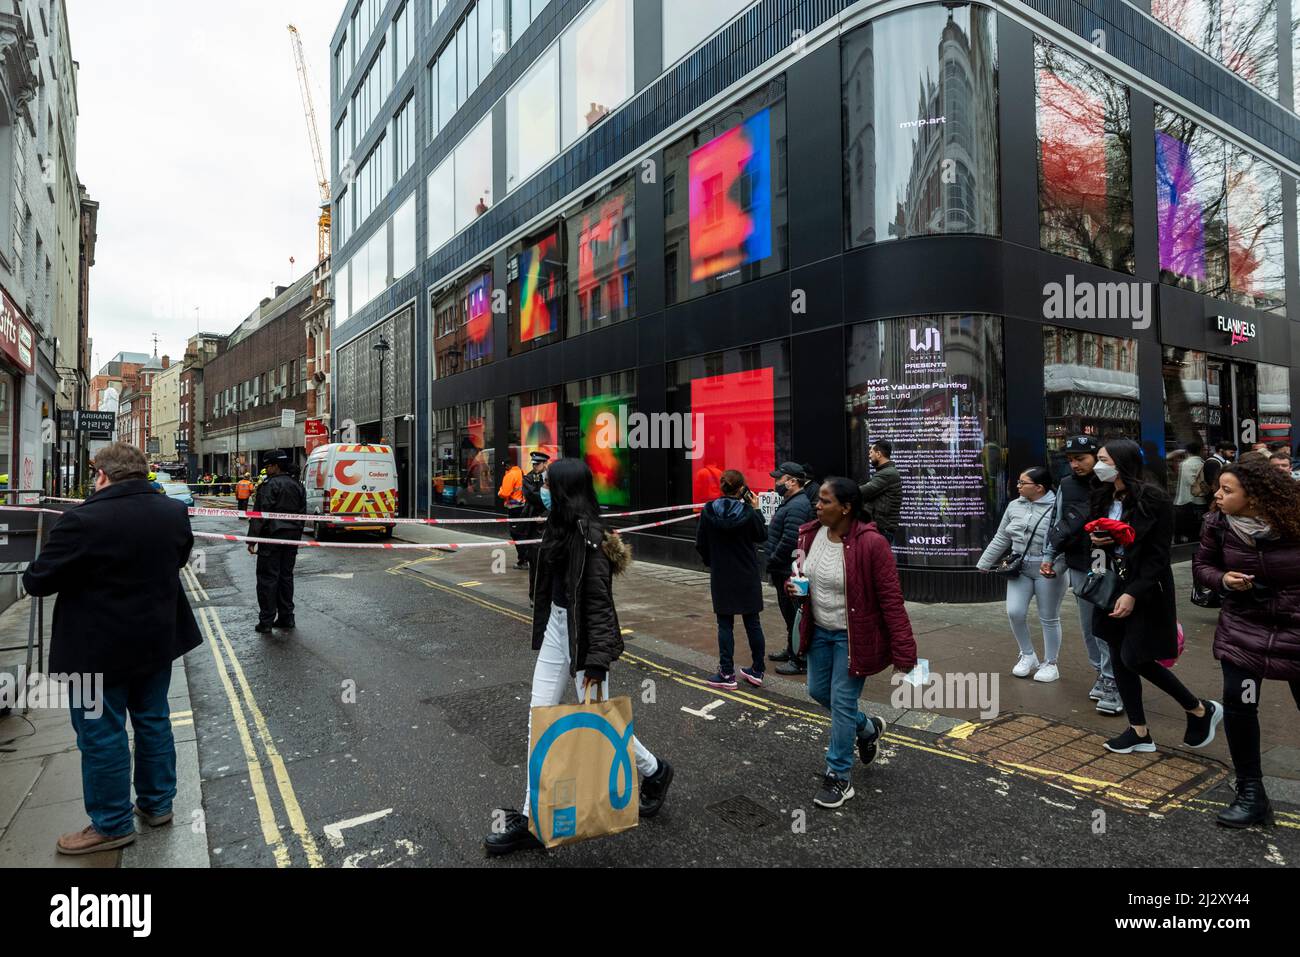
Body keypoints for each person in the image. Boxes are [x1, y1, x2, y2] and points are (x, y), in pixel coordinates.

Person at [484, 459, 673, 855]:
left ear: (566, 490)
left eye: (550, 485)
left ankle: (654, 771)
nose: (544, 489)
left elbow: (600, 606)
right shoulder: (556, 525)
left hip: (583, 640)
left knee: (599, 719)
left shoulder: (591, 538)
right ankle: (533, 818)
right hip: (557, 629)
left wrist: (596, 662)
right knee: (540, 716)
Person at [22, 442, 202, 855]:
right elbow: (177, 560)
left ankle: (111, 824)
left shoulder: (82, 520)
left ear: (102, 476)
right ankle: (158, 805)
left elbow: (38, 581)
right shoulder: (173, 513)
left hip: (94, 651)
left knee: (101, 736)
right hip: (156, 642)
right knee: (154, 721)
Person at [786, 477, 917, 809]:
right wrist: (795, 587)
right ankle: (868, 727)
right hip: (818, 631)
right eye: (819, 500)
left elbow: (891, 599)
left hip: (853, 636)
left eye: (825, 501)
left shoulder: (872, 544)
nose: (818, 505)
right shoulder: (808, 533)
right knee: (818, 691)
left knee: (842, 701)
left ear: (846, 508)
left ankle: (839, 776)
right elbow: (802, 573)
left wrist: (904, 649)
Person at [1089, 439, 1222, 754]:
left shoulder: (1154, 499)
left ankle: (1199, 708)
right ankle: (1138, 731)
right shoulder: (1101, 495)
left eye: (1103, 459)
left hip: (1145, 589)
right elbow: (1096, 541)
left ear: (1122, 463)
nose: (1098, 465)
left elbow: (1158, 556)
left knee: (1134, 656)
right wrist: (1099, 542)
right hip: (1110, 584)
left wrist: (1133, 592)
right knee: (1117, 650)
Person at [1192, 460, 1300, 827]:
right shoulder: (1217, 524)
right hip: (1243, 631)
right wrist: (1223, 580)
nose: (1218, 495)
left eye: (1227, 490)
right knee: (1240, 703)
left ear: (1254, 496)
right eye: (1218, 488)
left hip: (1296, 630)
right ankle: (1251, 793)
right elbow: (1202, 568)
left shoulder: (1295, 520)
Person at [1041, 436, 1121, 713]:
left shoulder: (1115, 484)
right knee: (1088, 627)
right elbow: (1057, 521)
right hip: (1079, 563)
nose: (1075, 464)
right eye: (1070, 459)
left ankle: (1113, 680)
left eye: (1081, 458)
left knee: (1105, 627)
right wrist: (1049, 556)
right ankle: (1101, 673)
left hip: (1110, 565)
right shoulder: (1066, 485)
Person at [978, 467, 1068, 682]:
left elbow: (1067, 541)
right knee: (1014, 612)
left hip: (1048, 568)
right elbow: (1002, 536)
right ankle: (1027, 655)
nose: (1017, 486)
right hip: (1019, 566)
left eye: (1022, 483)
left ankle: (1051, 663)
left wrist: (1058, 568)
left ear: (1039, 487)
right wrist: (985, 562)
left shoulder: (1058, 507)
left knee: (1049, 617)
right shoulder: (1013, 505)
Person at [696, 469, 768, 689]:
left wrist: (713, 563)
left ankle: (727, 674)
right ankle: (757, 670)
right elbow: (762, 537)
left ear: (722, 487)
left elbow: (701, 544)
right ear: (742, 489)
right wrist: (757, 510)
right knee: (752, 622)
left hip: (722, 574)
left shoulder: (708, 511)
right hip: (747, 574)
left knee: (724, 624)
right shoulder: (748, 512)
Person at [248, 451, 306, 633]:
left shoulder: (269, 485)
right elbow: (302, 514)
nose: (266, 469)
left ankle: (266, 621)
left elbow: (260, 515)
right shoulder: (297, 485)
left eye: (268, 465)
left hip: (271, 538)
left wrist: (252, 539)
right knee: (286, 577)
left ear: (276, 466)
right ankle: (286, 618)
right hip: (291, 539)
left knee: (267, 579)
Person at [766, 462, 814, 674]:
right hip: (782, 568)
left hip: (787, 569)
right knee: (789, 613)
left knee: (795, 614)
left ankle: (799, 659)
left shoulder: (797, 505)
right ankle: (791, 649)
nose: (777, 483)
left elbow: (789, 540)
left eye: (780, 479)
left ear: (792, 482)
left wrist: (773, 559)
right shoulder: (792, 501)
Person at [859, 440, 902, 545]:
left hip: (882, 530)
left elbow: (863, 492)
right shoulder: (885, 472)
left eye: (871, 453)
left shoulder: (887, 474)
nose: (869, 456)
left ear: (878, 454)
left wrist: (845, 489)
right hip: (881, 529)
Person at [519, 452, 550, 573]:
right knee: (533, 546)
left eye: (538, 464)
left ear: (545, 463)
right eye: (534, 464)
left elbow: (559, 497)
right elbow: (532, 496)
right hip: (533, 516)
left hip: (549, 515)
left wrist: (546, 514)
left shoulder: (553, 476)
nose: (535, 466)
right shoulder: (528, 478)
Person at [1172, 441, 1207, 543]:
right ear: (1200, 451)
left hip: (1185, 499)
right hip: (1195, 500)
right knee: (1195, 525)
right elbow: (1192, 481)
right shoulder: (1200, 463)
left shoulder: (1185, 463)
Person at [498, 458, 528, 568]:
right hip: (523, 507)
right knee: (523, 533)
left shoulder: (510, 475)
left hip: (514, 508)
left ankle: (523, 561)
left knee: (516, 534)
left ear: (507, 466)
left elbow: (505, 493)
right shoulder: (521, 472)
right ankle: (527, 559)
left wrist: (500, 491)